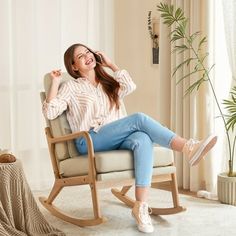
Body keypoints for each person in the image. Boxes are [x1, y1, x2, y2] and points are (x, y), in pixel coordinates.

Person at [42, 43, 217, 234]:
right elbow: (50, 111)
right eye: (80, 56)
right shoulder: (71, 87)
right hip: (89, 140)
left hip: (114, 139)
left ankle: (141, 206)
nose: (87, 56)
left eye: (88, 52)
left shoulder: (106, 83)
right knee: (139, 119)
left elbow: (130, 85)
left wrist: (111, 65)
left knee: (142, 138)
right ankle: (187, 147)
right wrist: (55, 82)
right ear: (74, 66)